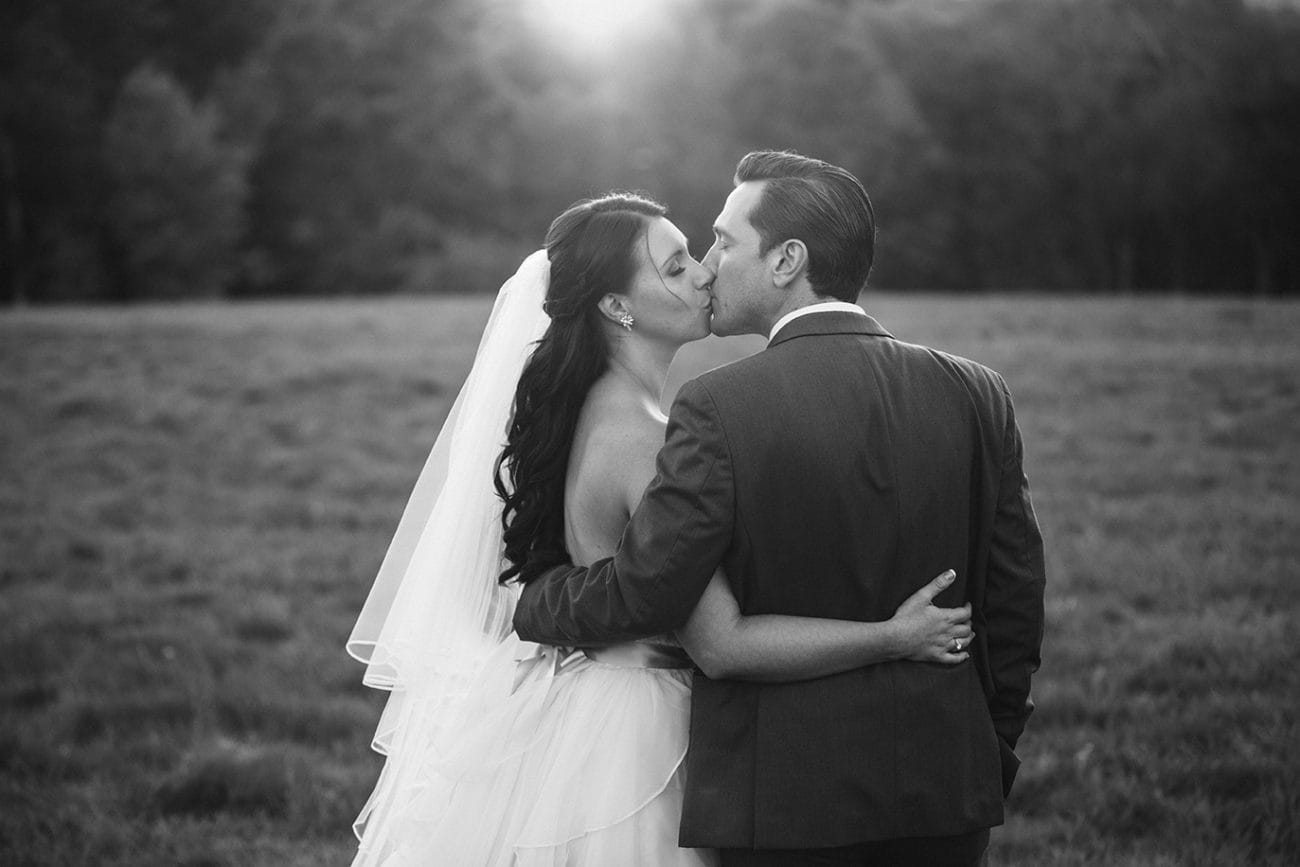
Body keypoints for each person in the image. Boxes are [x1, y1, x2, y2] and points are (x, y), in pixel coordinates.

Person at [346, 190, 976, 866]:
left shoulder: (602, 410)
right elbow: (721, 642)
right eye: (676, 268)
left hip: (588, 705)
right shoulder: (642, 441)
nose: (705, 271)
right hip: (636, 738)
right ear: (618, 306)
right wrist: (893, 636)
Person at [513, 152, 1047, 866]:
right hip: (945, 793)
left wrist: (533, 602)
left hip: (783, 810)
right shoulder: (979, 390)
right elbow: (1016, 601)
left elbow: (652, 587)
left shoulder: (719, 407)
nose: (708, 264)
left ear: (787, 260)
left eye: (726, 241)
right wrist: (990, 749)